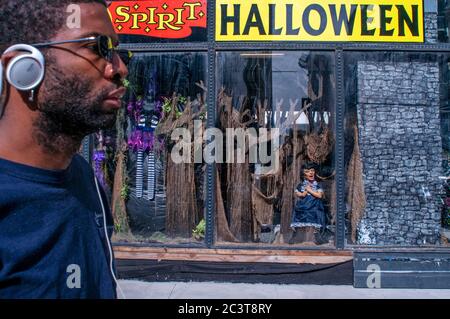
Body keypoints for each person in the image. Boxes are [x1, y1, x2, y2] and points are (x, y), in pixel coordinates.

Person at [0, 0, 128, 298]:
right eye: (99, 47)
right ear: (24, 66)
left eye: (119, 51)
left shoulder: (84, 178)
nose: (119, 68)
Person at [290, 163, 326, 244]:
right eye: (307, 171)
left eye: (312, 170)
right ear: (304, 175)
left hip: (314, 206)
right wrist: (303, 193)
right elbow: (298, 194)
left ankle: (312, 239)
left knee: (313, 223)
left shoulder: (317, 185)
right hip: (303, 206)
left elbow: (319, 195)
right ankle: (301, 239)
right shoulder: (301, 185)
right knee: (302, 223)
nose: (311, 173)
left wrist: (310, 190)